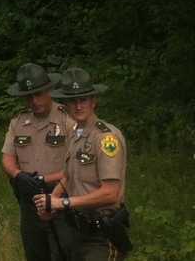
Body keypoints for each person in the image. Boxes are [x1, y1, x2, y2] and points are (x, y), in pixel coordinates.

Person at [34, 68, 129, 261]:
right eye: (72, 100)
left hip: (102, 234)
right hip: (77, 230)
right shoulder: (76, 133)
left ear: (94, 101)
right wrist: (51, 202)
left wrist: (64, 203)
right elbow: (69, 176)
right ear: (65, 104)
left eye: (83, 100)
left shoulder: (105, 137)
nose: (78, 106)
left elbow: (111, 193)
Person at [1, 63, 71, 261]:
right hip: (30, 199)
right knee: (35, 253)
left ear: (49, 90)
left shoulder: (68, 119)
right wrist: (17, 175)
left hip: (62, 196)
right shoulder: (18, 122)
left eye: (39, 94)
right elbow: (7, 157)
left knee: (65, 253)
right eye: (29, 96)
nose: (34, 100)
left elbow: (77, 165)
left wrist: (45, 179)